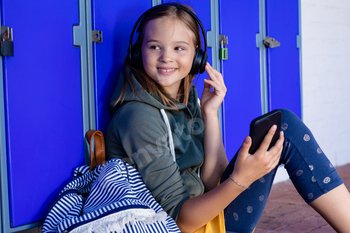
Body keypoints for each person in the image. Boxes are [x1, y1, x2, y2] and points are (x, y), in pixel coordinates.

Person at [105, 3, 350, 232]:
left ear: (197, 58)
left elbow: (213, 180)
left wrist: (209, 114)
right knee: (284, 126)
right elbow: (180, 222)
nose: (166, 57)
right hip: (194, 225)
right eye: (154, 46)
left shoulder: (185, 100)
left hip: (206, 210)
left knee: (281, 128)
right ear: (138, 53)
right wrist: (242, 179)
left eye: (179, 48)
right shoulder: (139, 118)